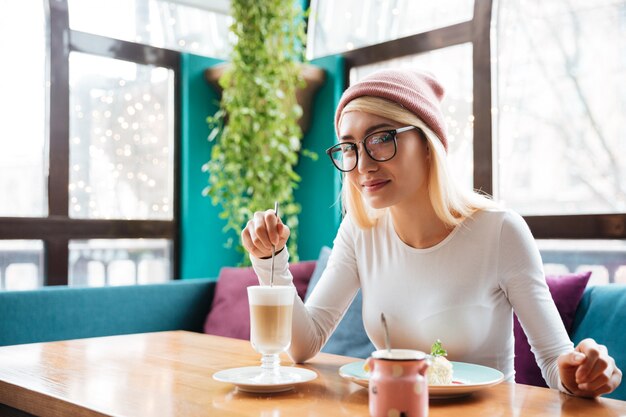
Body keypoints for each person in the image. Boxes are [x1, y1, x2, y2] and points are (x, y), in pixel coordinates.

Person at [241, 68, 622, 397]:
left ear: (427, 144)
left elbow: (556, 362)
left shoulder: (500, 231)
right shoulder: (360, 231)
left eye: (380, 139)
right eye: (350, 147)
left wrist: (581, 373)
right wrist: (270, 260)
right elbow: (304, 345)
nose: (363, 166)